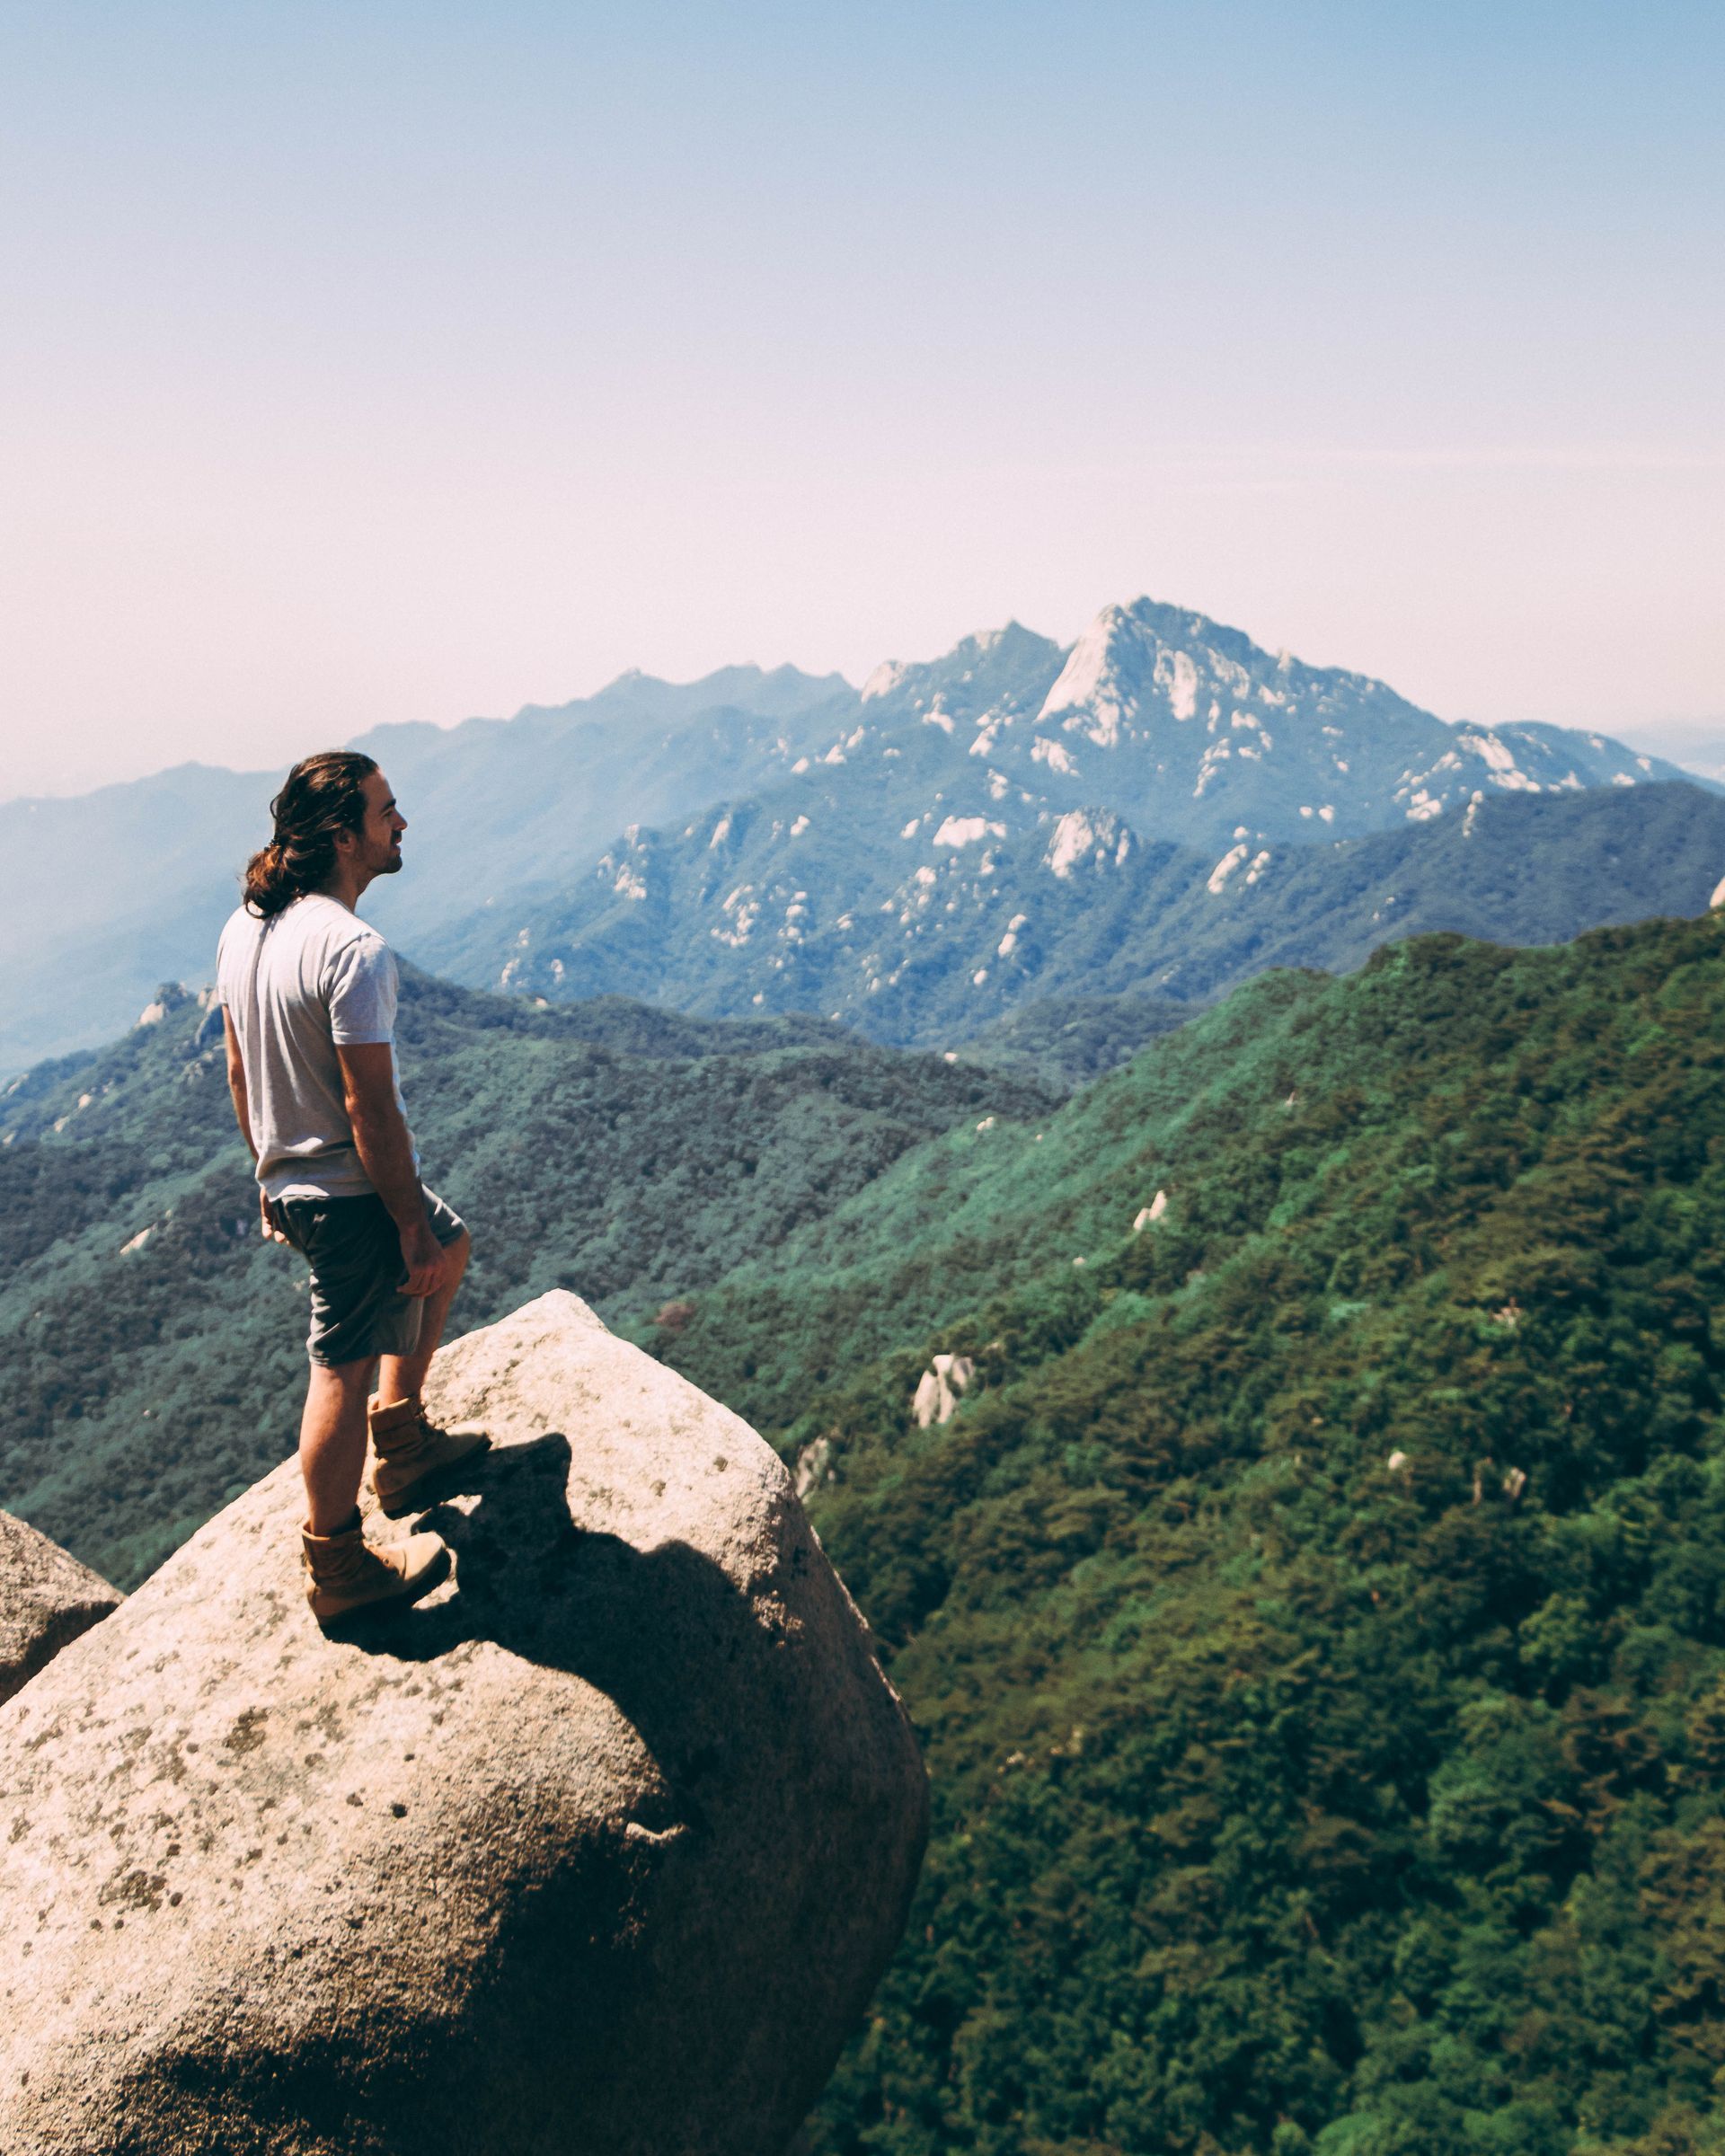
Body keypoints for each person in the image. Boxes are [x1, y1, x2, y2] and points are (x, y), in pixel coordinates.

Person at [217, 750, 485, 1623]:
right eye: (386, 812)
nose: (401, 824)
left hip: (294, 1180)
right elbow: (372, 1110)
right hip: (348, 1192)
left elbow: (236, 1068)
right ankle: (339, 1565)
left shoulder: (242, 931)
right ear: (343, 836)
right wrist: (404, 1223)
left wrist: (267, 1167)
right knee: (339, 1370)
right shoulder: (353, 951)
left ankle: (402, 1442)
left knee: (453, 1244)